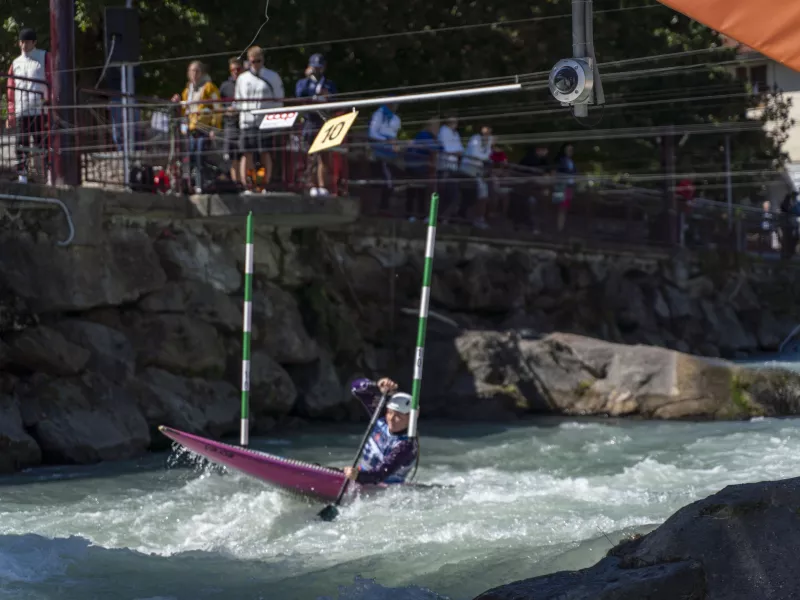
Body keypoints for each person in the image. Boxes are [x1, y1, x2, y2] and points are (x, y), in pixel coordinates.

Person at [344, 377, 419, 485]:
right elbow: (355, 388)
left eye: (398, 416)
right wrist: (376, 386)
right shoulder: (380, 419)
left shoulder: (406, 445)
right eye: (389, 412)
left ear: (411, 418)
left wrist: (358, 476)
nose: (391, 419)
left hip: (383, 489)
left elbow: (379, 475)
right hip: (360, 476)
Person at [235, 46, 285, 193]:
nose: (255, 64)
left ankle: (262, 184)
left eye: (258, 61)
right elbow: (238, 100)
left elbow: (279, 100)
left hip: (265, 121)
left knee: (265, 153)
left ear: (263, 60)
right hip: (247, 120)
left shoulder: (272, 77)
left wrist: (274, 118)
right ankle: (249, 185)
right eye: (252, 61)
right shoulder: (242, 79)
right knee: (247, 153)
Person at [7, 27, 52, 184]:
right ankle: (22, 176)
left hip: (40, 109)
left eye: (27, 41)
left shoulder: (44, 57)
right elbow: (11, 90)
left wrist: (52, 102)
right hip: (22, 110)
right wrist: (11, 113)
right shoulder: (15, 63)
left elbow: (52, 80)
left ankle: (50, 174)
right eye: (21, 41)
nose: (24, 45)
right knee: (21, 144)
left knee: (44, 143)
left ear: (34, 42)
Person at [295, 53, 337, 196]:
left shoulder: (329, 84)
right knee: (310, 155)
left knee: (324, 156)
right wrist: (308, 79)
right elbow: (299, 94)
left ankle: (323, 185)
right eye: (314, 67)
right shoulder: (304, 83)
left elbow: (334, 100)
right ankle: (311, 185)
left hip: (324, 121)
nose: (317, 70)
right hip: (309, 122)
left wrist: (327, 96)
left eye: (319, 67)